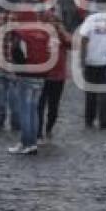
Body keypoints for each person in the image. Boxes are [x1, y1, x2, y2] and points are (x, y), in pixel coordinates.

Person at [6, 5, 68, 155]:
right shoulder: (43, 32)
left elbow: (16, 52)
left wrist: (17, 70)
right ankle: (30, 142)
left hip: (26, 75)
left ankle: (27, 143)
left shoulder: (20, 32)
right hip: (42, 75)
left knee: (25, 110)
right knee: (33, 110)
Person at [79, 10, 106, 129]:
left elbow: (84, 39)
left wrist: (82, 59)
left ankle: (89, 120)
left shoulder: (91, 19)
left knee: (90, 93)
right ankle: (104, 122)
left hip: (91, 60)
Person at [37, 11, 70, 143]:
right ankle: (42, 130)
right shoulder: (44, 33)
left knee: (47, 105)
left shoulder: (41, 32)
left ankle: (45, 130)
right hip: (50, 75)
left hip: (52, 75)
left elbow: (71, 43)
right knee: (47, 104)